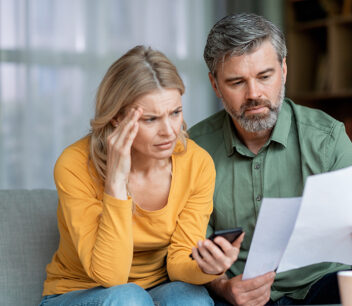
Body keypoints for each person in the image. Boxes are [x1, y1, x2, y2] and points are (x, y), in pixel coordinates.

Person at [189, 13, 352, 306]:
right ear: (215, 85)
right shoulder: (194, 148)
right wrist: (223, 287)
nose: (254, 94)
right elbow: (188, 251)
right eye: (236, 82)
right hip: (236, 294)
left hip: (319, 285)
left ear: (283, 70)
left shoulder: (327, 138)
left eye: (265, 76)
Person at [40, 45, 244, 306]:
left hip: (157, 289)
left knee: (193, 299)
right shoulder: (74, 164)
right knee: (129, 299)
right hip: (79, 292)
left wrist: (209, 267)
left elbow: (180, 263)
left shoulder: (197, 163)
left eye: (175, 113)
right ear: (116, 118)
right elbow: (110, 276)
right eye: (150, 119)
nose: (169, 132)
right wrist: (115, 182)